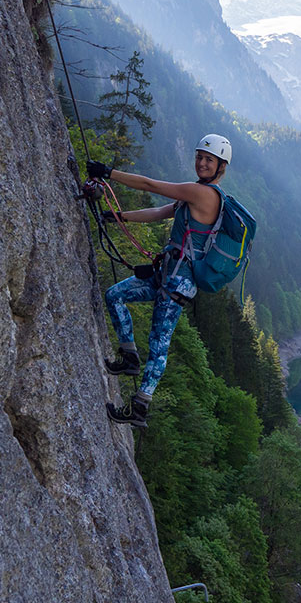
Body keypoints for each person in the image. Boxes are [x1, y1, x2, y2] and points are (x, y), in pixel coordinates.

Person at [85, 134, 232, 428]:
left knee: (159, 343)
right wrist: (118, 216)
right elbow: (159, 213)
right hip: (165, 273)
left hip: (179, 283)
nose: (202, 163)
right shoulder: (194, 195)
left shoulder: (204, 194)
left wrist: (108, 173)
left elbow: (151, 186)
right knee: (115, 295)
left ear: (220, 166)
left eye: (209, 159)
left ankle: (140, 406)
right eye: (199, 156)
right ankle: (128, 357)